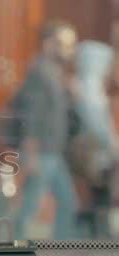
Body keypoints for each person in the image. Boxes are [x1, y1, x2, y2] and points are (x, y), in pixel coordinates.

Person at [14, 21, 79, 239]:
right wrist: (30, 154)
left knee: (67, 200)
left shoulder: (54, 73)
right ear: (48, 44)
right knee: (33, 202)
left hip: (53, 152)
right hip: (42, 152)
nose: (69, 49)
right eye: (64, 43)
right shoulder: (40, 72)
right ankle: (14, 244)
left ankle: (61, 245)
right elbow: (32, 116)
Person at [68, 41, 118, 238]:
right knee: (100, 190)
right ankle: (98, 231)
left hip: (88, 150)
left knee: (96, 191)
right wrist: (113, 144)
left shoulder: (83, 84)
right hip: (94, 150)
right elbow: (96, 122)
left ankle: (95, 230)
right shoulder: (90, 87)